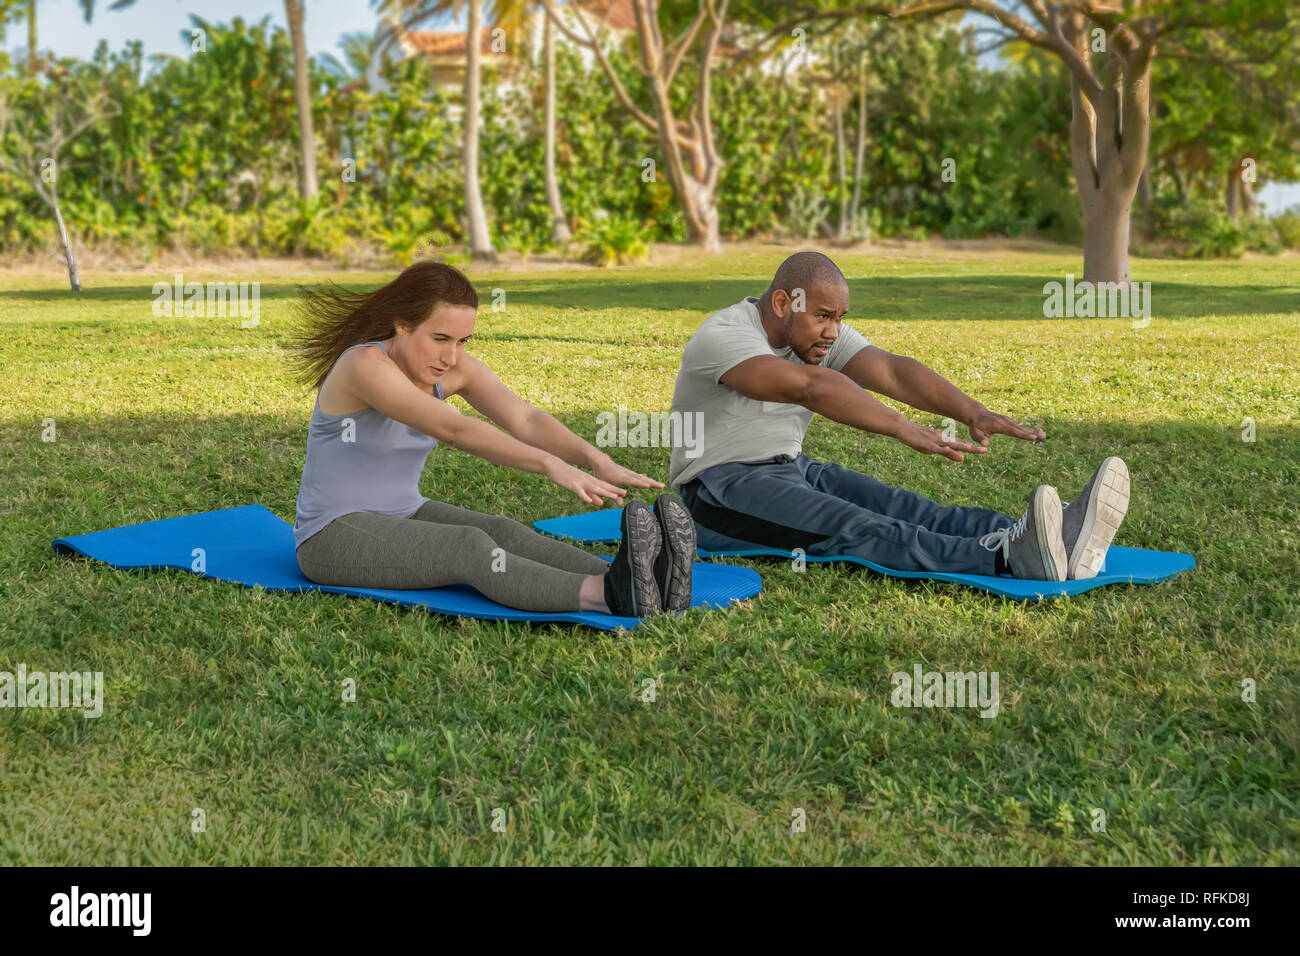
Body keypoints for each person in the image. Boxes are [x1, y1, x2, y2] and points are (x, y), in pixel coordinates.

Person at [667, 251, 1130, 582]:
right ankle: (1008, 559)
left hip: (793, 469)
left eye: (840, 318)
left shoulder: (819, 335)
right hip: (718, 494)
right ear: (785, 304)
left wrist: (974, 411)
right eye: (824, 316)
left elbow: (891, 371)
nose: (833, 332)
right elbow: (809, 387)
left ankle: (1048, 535)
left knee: (911, 508)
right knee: (860, 528)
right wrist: (904, 429)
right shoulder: (723, 336)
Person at [286, 261, 695, 617]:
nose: (451, 358)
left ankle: (636, 576)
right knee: (469, 547)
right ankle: (607, 596)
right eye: (440, 339)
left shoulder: (455, 369)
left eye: (463, 342)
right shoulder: (364, 366)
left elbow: (526, 418)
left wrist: (594, 458)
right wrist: (550, 464)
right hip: (332, 536)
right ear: (402, 324)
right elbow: (454, 428)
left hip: (404, 512)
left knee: (504, 532)